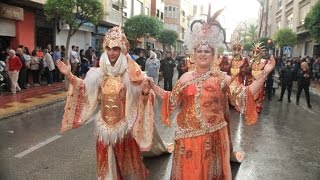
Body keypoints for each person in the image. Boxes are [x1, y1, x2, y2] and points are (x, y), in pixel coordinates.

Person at [147, 11, 275, 179]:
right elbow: (171, 99)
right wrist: (153, 87)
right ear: (194, 53)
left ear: (213, 55)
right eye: (199, 50)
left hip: (212, 138)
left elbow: (245, 94)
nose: (202, 54)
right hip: (187, 138)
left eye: (207, 51)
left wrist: (264, 74)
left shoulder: (222, 78)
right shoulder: (185, 77)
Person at [56, 27, 167, 179]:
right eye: (108, 48)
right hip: (104, 126)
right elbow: (83, 89)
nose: (111, 53)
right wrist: (69, 75)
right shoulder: (99, 73)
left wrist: (145, 93)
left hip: (124, 127)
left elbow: (145, 98)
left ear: (121, 51)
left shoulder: (131, 74)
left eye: (115, 49)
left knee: (125, 165)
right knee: (106, 165)